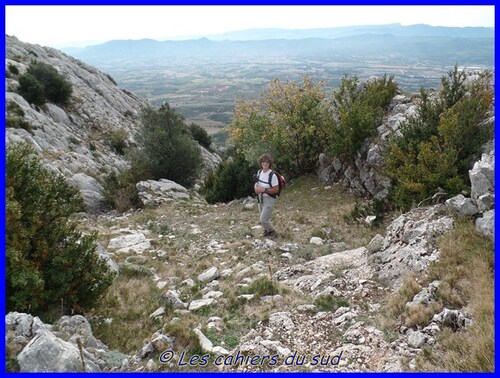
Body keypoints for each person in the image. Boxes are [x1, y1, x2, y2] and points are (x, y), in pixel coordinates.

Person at [254, 153, 279, 239]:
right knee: (264, 218)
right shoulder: (259, 172)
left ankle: (272, 232)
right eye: (263, 162)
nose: (265, 164)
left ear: (269, 163)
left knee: (263, 219)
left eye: (267, 162)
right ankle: (267, 231)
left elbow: (276, 189)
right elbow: (257, 183)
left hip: (269, 199)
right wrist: (256, 188)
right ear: (261, 162)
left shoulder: (272, 175)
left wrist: (264, 190)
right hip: (260, 198)